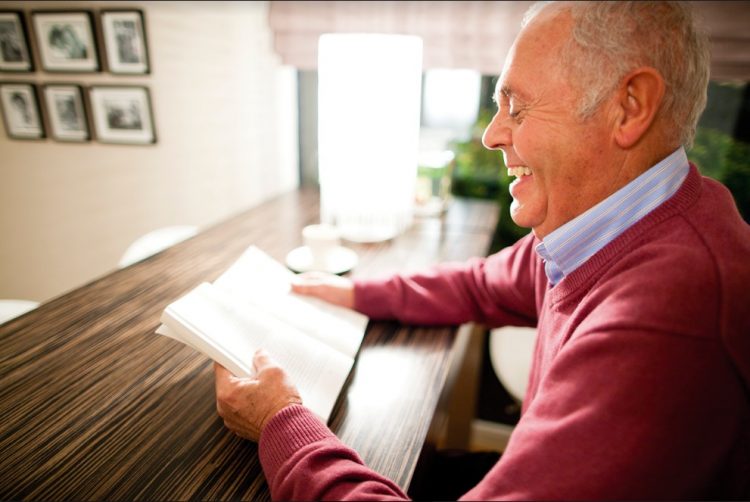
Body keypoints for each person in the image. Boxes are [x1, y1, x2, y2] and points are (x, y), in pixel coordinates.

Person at [214, 1, 750, 499]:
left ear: (629, 107)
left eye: (516, 106)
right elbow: (482, 283)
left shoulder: (666, 320)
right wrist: (351, 292)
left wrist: (281, 420)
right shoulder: (625, 223)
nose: (492, 135)